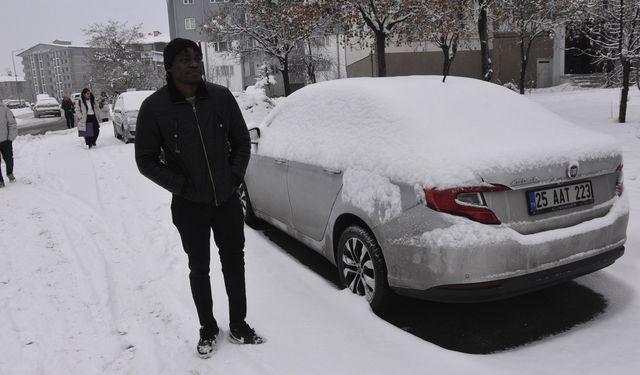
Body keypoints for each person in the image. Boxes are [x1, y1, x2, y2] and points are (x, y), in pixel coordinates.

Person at [135, 38, 260, 359]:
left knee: (235, 262)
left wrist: (233, 177)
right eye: (185, 59)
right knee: (199, 268)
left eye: (196, 58)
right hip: (189, 206)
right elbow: (145, 160)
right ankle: (207, 327)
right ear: (169, 67)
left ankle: (239, 324)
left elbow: (242, 140)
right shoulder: (155, 108)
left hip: (227, 200)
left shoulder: (220, 98)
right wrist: (183, 187)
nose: (193, 64)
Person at [0, 101, 18, 188]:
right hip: (6, 139)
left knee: (8, 158)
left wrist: (10, 137)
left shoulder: (5, 110)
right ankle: (0, 181)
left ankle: (9, 173)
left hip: (5, 140)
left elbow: (12, 124)